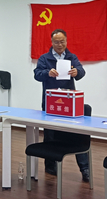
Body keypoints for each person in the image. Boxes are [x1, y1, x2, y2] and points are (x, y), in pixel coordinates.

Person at [33, 29, 88, 181]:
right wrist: (47, 73)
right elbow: (37, 74)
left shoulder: (72, 57)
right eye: (56, 42)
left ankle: (85, 169)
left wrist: (77, 72)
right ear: (52, 42)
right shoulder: (44, 58)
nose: (60, 44)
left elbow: (82, 71)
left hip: (69, 101)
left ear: (66, 41)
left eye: (62, 41)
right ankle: (51, 167)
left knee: (77, 134)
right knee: (50, 134)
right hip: (51, 101)